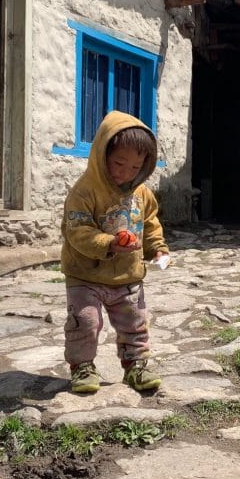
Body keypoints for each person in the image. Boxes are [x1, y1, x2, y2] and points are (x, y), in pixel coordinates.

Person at [60, 110, 169, 393]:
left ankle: (135, 366)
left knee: (134, 323)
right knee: (85, 321)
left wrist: (157, 249)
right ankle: (82, 367)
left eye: (135, 167)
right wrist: (109, 243)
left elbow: (150, 222)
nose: (126, 173)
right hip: (86, 275)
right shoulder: (84, 191)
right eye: (119, 163)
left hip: (128, 275)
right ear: (101, 154)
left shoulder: (142, 192)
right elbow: (78, 231)